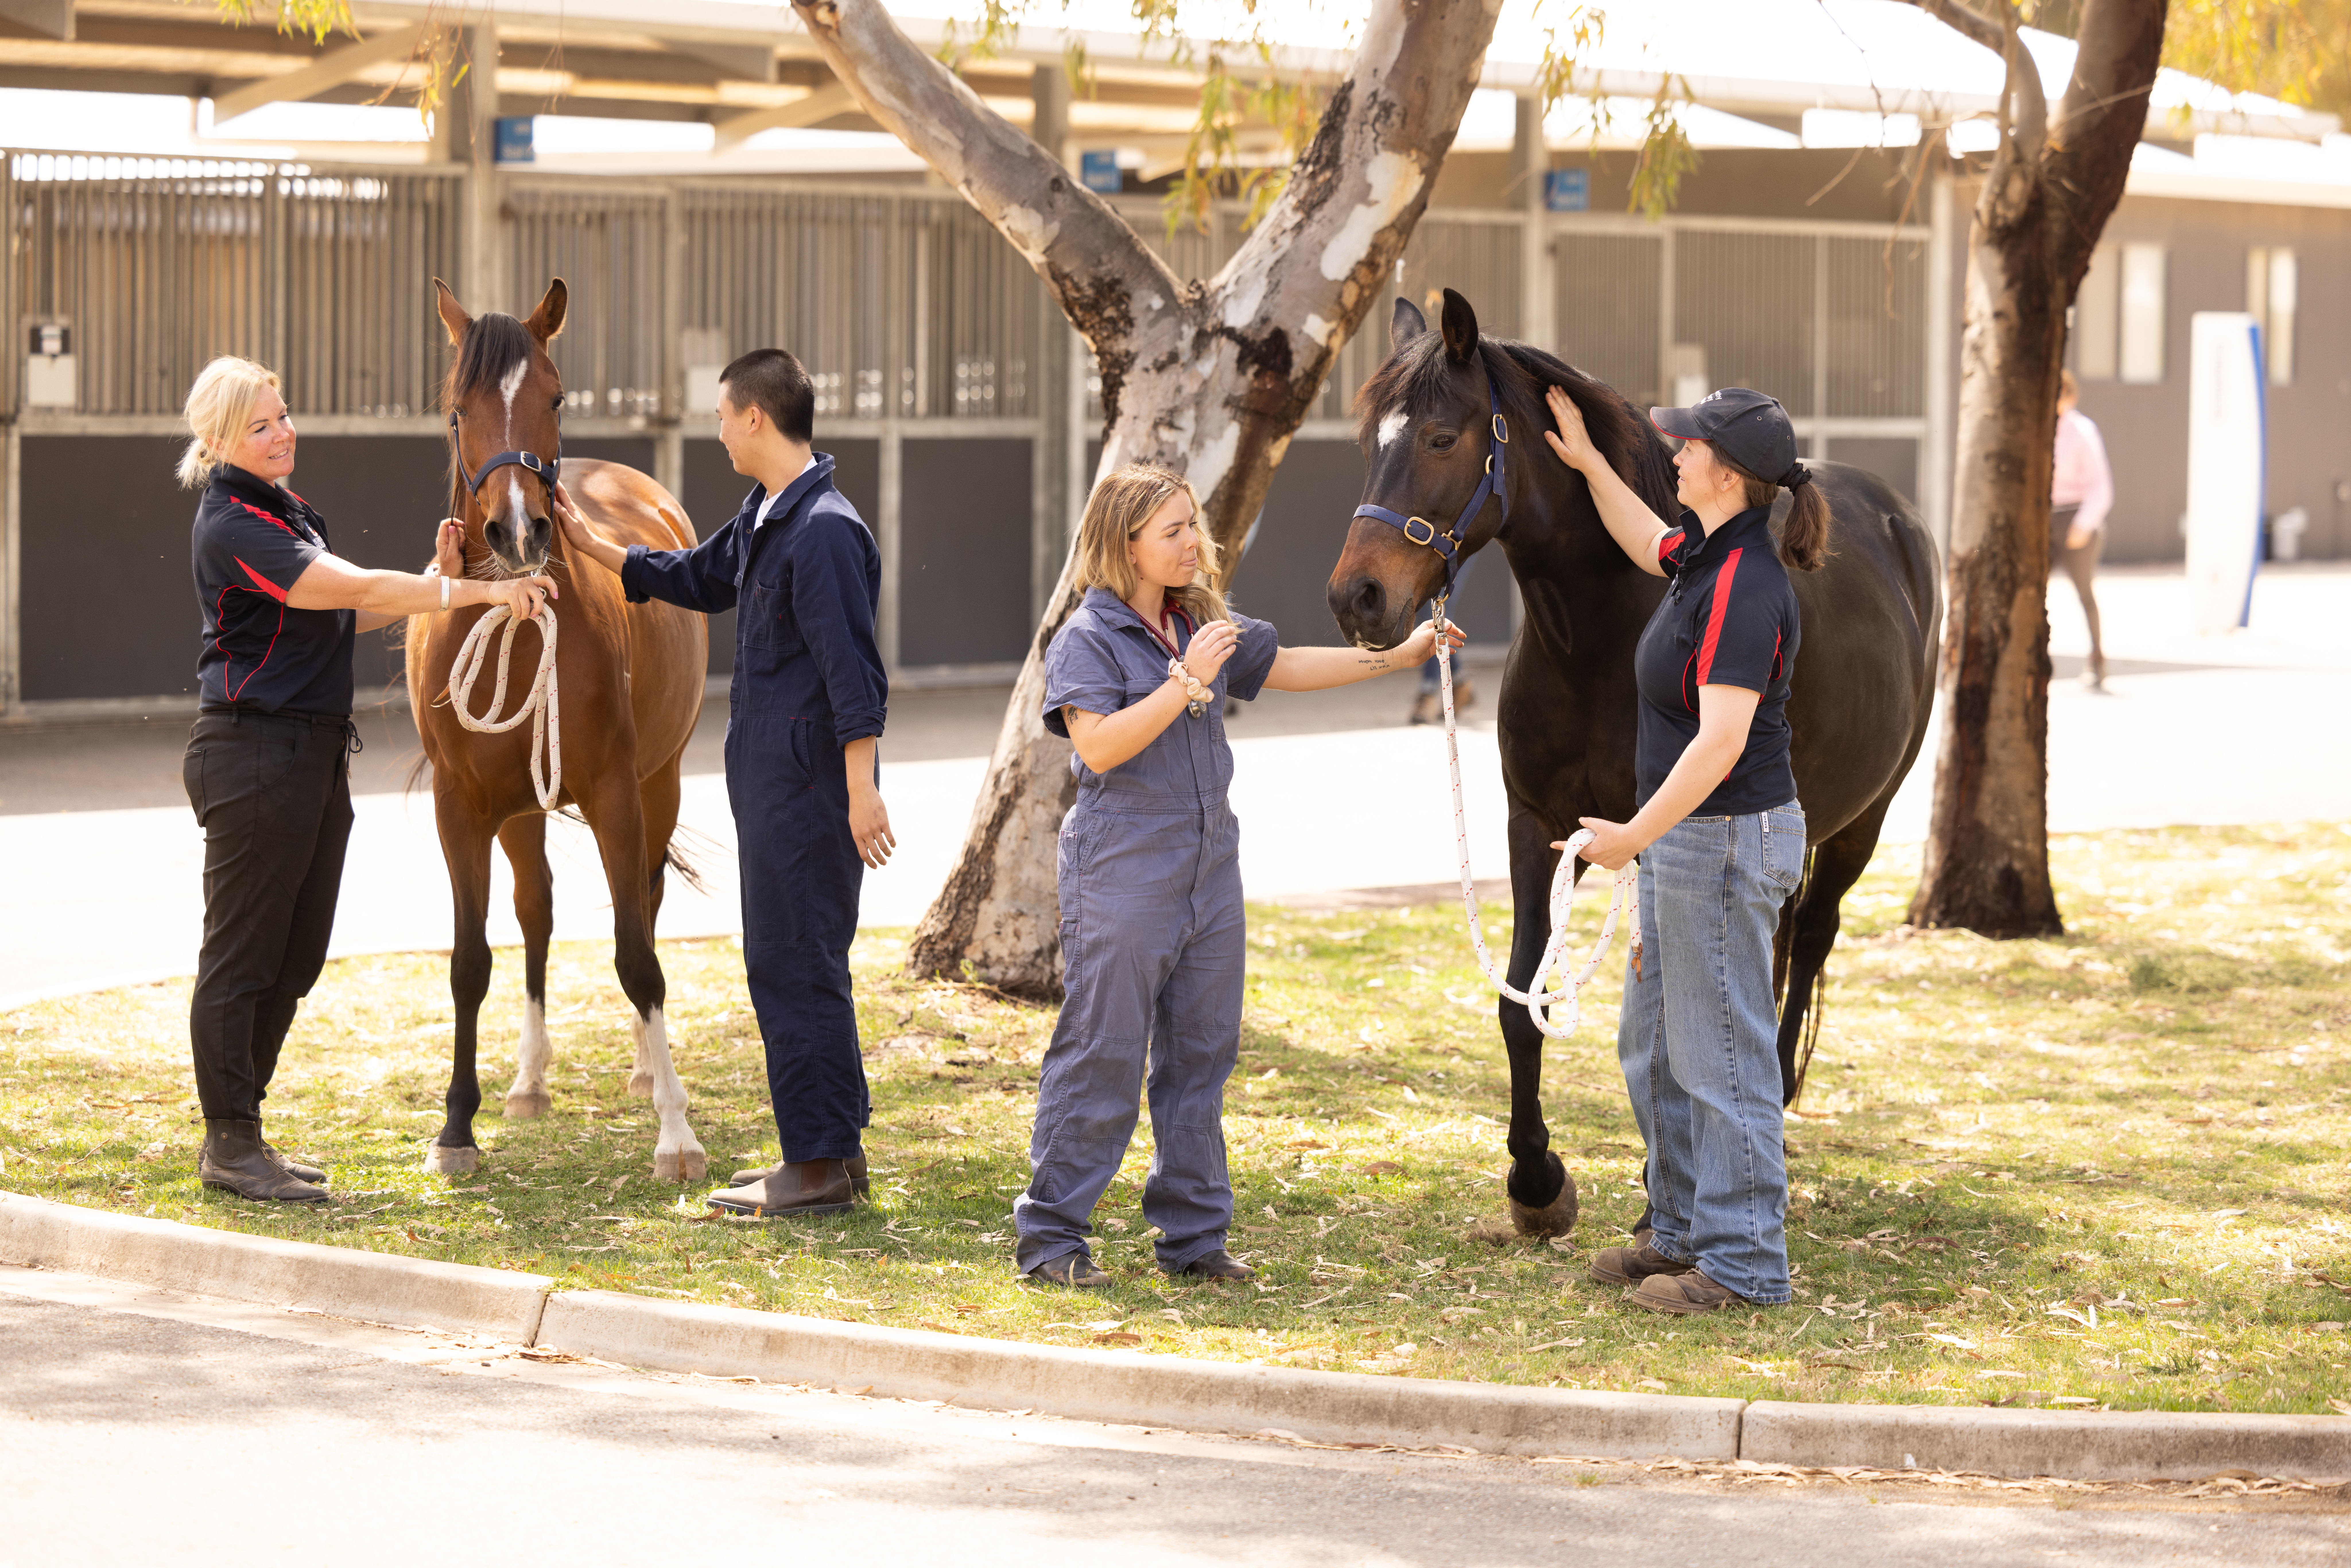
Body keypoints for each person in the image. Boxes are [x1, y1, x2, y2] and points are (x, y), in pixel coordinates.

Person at [1016, 463, 1462, 1288]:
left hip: (1208, 871)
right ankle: (1052, 1241)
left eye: (1194, 525)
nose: (1195, 543)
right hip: (1123, 870)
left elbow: (1287, 665)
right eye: (1174, 531)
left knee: (1201, 1056)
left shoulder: (1202, 620)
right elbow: (1099, 745)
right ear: (1127, 546)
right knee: (1102, 1055)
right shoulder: (1090, 635)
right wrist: (1187, 683)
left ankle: (1193, 1242)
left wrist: (1401, 655)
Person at [180, 356, 554, 1204]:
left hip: (307, 753)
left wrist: (435, 583)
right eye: (261, 425)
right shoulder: (236, 523)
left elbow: (347, 609)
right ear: (218, 443)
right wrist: (484, 596)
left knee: (295, 954)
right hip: (253, 755)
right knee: (241, 956)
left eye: (283, 414)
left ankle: (246, 1129)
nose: (284, 432)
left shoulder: (279, 510)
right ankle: (229, 1140)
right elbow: (342, 585)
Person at [554, 348, 891, 1220]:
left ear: (754, 418)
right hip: (774, 783)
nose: (714, 430)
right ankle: (833, 1154)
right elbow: (697, 576)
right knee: (802, 959)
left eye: (719, 414)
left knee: (793, 962)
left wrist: (863, 789)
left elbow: (854, 674)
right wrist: (595, 544)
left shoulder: (821, 530)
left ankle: (815, 1166)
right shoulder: (771, 513)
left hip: (808, 787)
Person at [1540, 385, 1826, 1315]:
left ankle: (1744, 1262)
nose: (1675, 454)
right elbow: (1645, 540)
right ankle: (1683, 1229)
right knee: (1654, 1045)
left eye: (1688, 445)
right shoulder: (1706, 555)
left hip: (1722, 841)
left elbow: (1722, 740)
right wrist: (1585, 463)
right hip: (1689, 842)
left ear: (1729, 473)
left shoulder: (1749, 585)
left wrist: (1632, 835)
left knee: (1721, 1056)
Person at [2051, 369, 2114, 692]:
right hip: (2043, 519)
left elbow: (2101, 487)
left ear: (2070, 398)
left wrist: (2082, 525)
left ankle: (2097, 660)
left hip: (2074, 517)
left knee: (2084, 594)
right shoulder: (2038, 429)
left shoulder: (2082, 431)